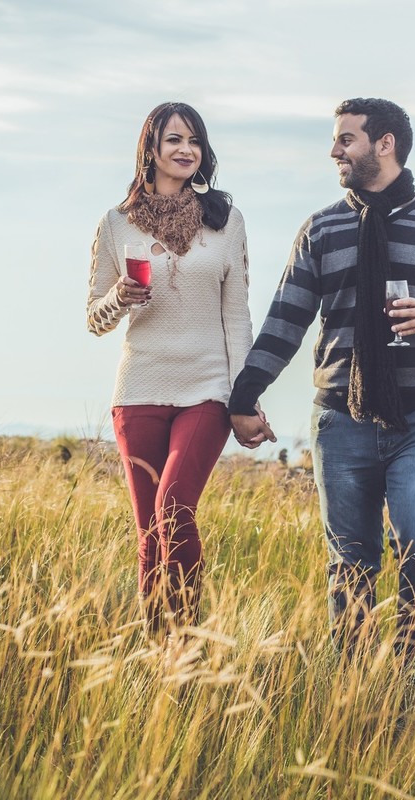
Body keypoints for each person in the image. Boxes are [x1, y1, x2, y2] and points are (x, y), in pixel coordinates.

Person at [229, 98, 415, 662]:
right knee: (350, 561)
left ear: (385, 143)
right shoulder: (321, 229)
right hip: (341, 420)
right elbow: (286, 319)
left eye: (346, 139)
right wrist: (244, 396)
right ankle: (351, 692)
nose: (334, 151)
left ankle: (412, 680)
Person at [87, 102, 264, 638]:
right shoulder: (116, 224)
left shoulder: (226, 223)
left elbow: (237, 315)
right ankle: (157, 645)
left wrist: (245, 397)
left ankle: (185, 637)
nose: (187, 150)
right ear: (152, 150)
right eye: (174, 140)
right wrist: (119, 298)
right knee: (147, 531)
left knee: (173, 506)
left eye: (195, 141)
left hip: (207, 388)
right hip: (139, 386)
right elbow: (95, 319)